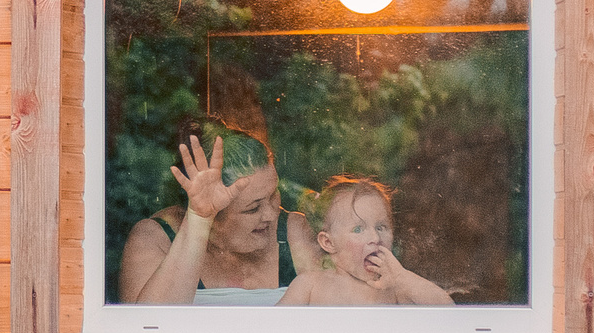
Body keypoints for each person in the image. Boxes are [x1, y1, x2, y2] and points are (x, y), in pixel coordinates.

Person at [118, 124, 317, 305]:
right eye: (252, 208)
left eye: (273, 195)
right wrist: (199, 220)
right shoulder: (156, 239)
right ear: (213, 215)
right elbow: (148, 330)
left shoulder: (293, 232)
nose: (272, 215)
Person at [276, 176, 454, 305]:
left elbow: (448, 314)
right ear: (328, 243)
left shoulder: (395, 290)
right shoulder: (311, 285)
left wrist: (402, 278)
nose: (375, 239)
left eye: (381, 227)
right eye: (358, 229)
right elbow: (272, 328)